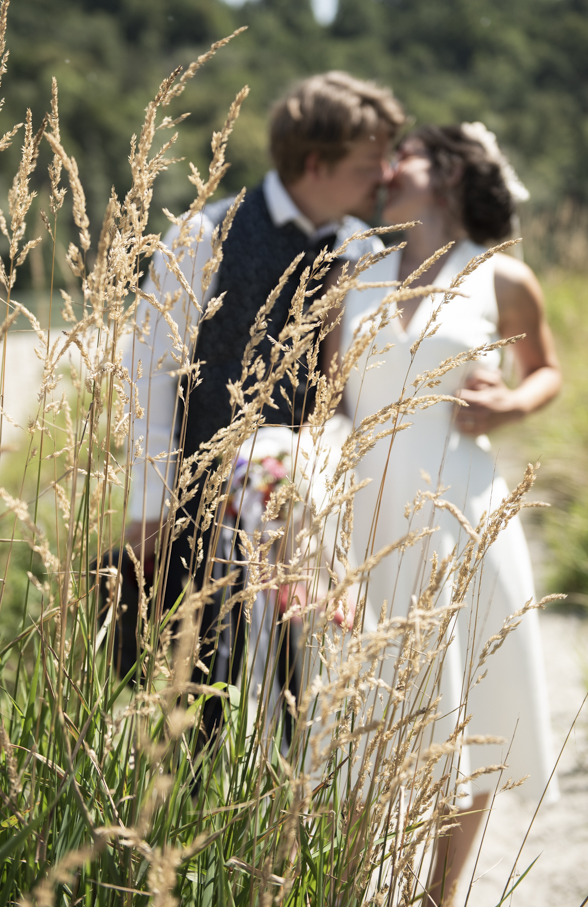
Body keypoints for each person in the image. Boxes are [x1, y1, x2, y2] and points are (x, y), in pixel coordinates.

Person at [118, 73, 404, 737]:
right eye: (370, 163)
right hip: (197, 509)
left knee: (303, 705)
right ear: (315, 162)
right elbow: (148, 378)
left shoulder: (365, 250)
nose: (386, 175)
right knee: (196, 703)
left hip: (316, 526)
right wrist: (148, 509)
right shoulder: (203, 234)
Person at [323, 122, 561, 904]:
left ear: (452, 174)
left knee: (468, 709)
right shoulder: (351, 267)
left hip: (464, 507)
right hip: (362, 516)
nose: (389, 168)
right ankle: (349, 878)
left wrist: (510, 404)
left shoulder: (502, 278)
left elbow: (545, 372)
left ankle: (439, 894)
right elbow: (323, 398)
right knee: (355, 708)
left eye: (410, 155)